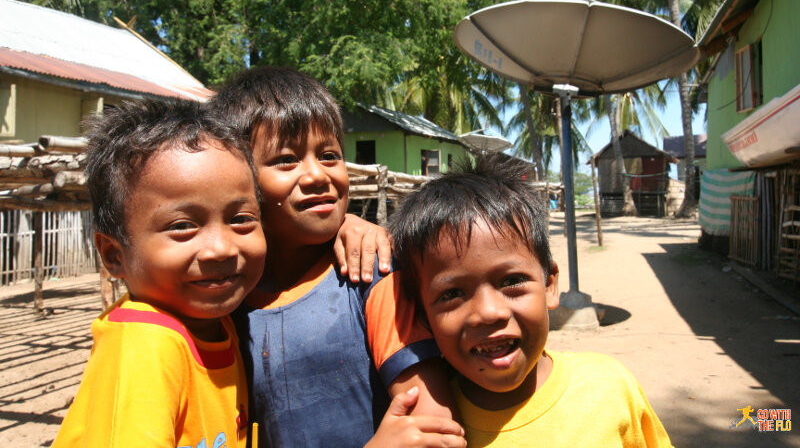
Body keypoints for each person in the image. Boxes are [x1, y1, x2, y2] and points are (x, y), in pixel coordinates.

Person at [210, 66, 463, 448]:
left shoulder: (368, 274)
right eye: (284, 160)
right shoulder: (222, 303)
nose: (316, 175)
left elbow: (434, 426)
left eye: (329, 155)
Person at [390, 153, 673, 447]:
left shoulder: (610, 387)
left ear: (550, 284)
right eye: (452, 295)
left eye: (512, 282)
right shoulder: (427, 430)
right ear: (423, 315)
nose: (489, 313)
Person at [53, 98, 268, 447]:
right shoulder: (146, 344)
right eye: (183, 226)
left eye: (241, 219)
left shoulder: (220, 322)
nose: (222, 248)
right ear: (113, 254)